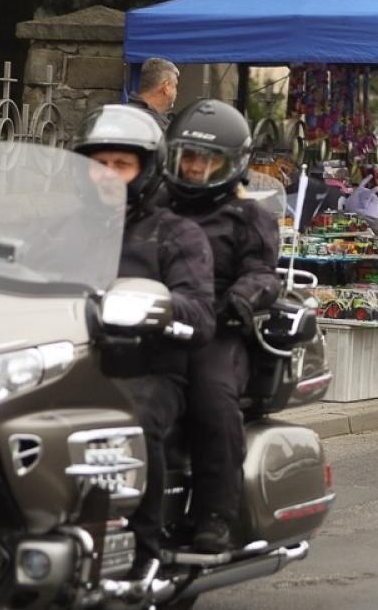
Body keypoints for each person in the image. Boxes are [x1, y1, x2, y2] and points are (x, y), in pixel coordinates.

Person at [74, 106, 215, 575]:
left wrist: (157, 309)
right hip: (71, 363)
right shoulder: (62, 228)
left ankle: (143, 550)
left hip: (146, 369)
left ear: (147, 169)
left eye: (122, 164)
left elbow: (200, 312)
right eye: (99, 164)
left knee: (130, 419)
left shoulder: (175, 234)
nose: (108, 174)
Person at [163, 100, 282, 553]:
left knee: (212, 397)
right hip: (154, 318)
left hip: (215, 328)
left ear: (231, 164)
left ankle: (216, 513)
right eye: (189, 156)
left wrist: (241, 300)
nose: (195, 167)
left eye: (207, 159)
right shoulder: (157, 206)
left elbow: (263, 273)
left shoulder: (249, 216)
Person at [129, 58, 180, 128]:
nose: (176, 92)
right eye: (174, 86)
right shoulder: (154, 125)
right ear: (166, 87)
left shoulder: (124, 113)